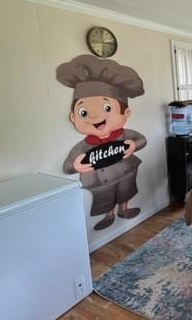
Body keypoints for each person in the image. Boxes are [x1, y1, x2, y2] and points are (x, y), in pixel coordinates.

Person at [57, 54, 147, 230]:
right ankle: (109, 215)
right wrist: (75, 165)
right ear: (73, 117)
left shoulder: (124, 134)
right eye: (83, 112)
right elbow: (69, 166)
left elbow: (141, 139)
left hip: (125, 172)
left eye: (107, 108)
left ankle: (124, 209)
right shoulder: (84, 145)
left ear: (125, 113)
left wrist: (134, 144)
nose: (95, 117)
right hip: (99, 180)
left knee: (125, 191)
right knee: (104, 198)